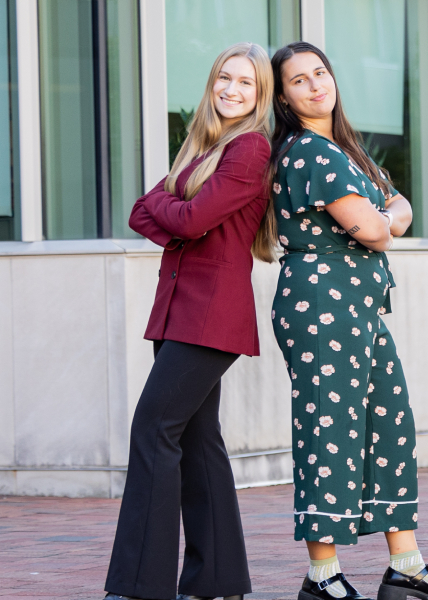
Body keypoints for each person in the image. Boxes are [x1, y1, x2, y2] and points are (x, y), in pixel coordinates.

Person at [267, 41, 428, 600]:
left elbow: (399, 207)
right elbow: (381, 227)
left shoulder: (346, 150)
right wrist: (383, 217)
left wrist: (383, 215)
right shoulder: (307, 151)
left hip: (358, 305)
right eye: (298, 81)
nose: (315, 86)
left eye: (320, 73)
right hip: (321, 304)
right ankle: (323, 575)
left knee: (389, 423)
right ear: (283, 97)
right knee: (329, 431)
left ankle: (405, 565)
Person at [103, 42, 274, 600]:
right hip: (180, 311)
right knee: (199, 442)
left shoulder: (247, 149)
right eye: (225, 78)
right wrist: (179, 216)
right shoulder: (203, 149)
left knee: (154, 430)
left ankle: (140, 584)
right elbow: (138, 211)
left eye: (246, 83)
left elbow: (195, 218)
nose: (232, 90)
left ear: (261, 94)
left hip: (210, 314)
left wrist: (174, 213)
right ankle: (219, 580)